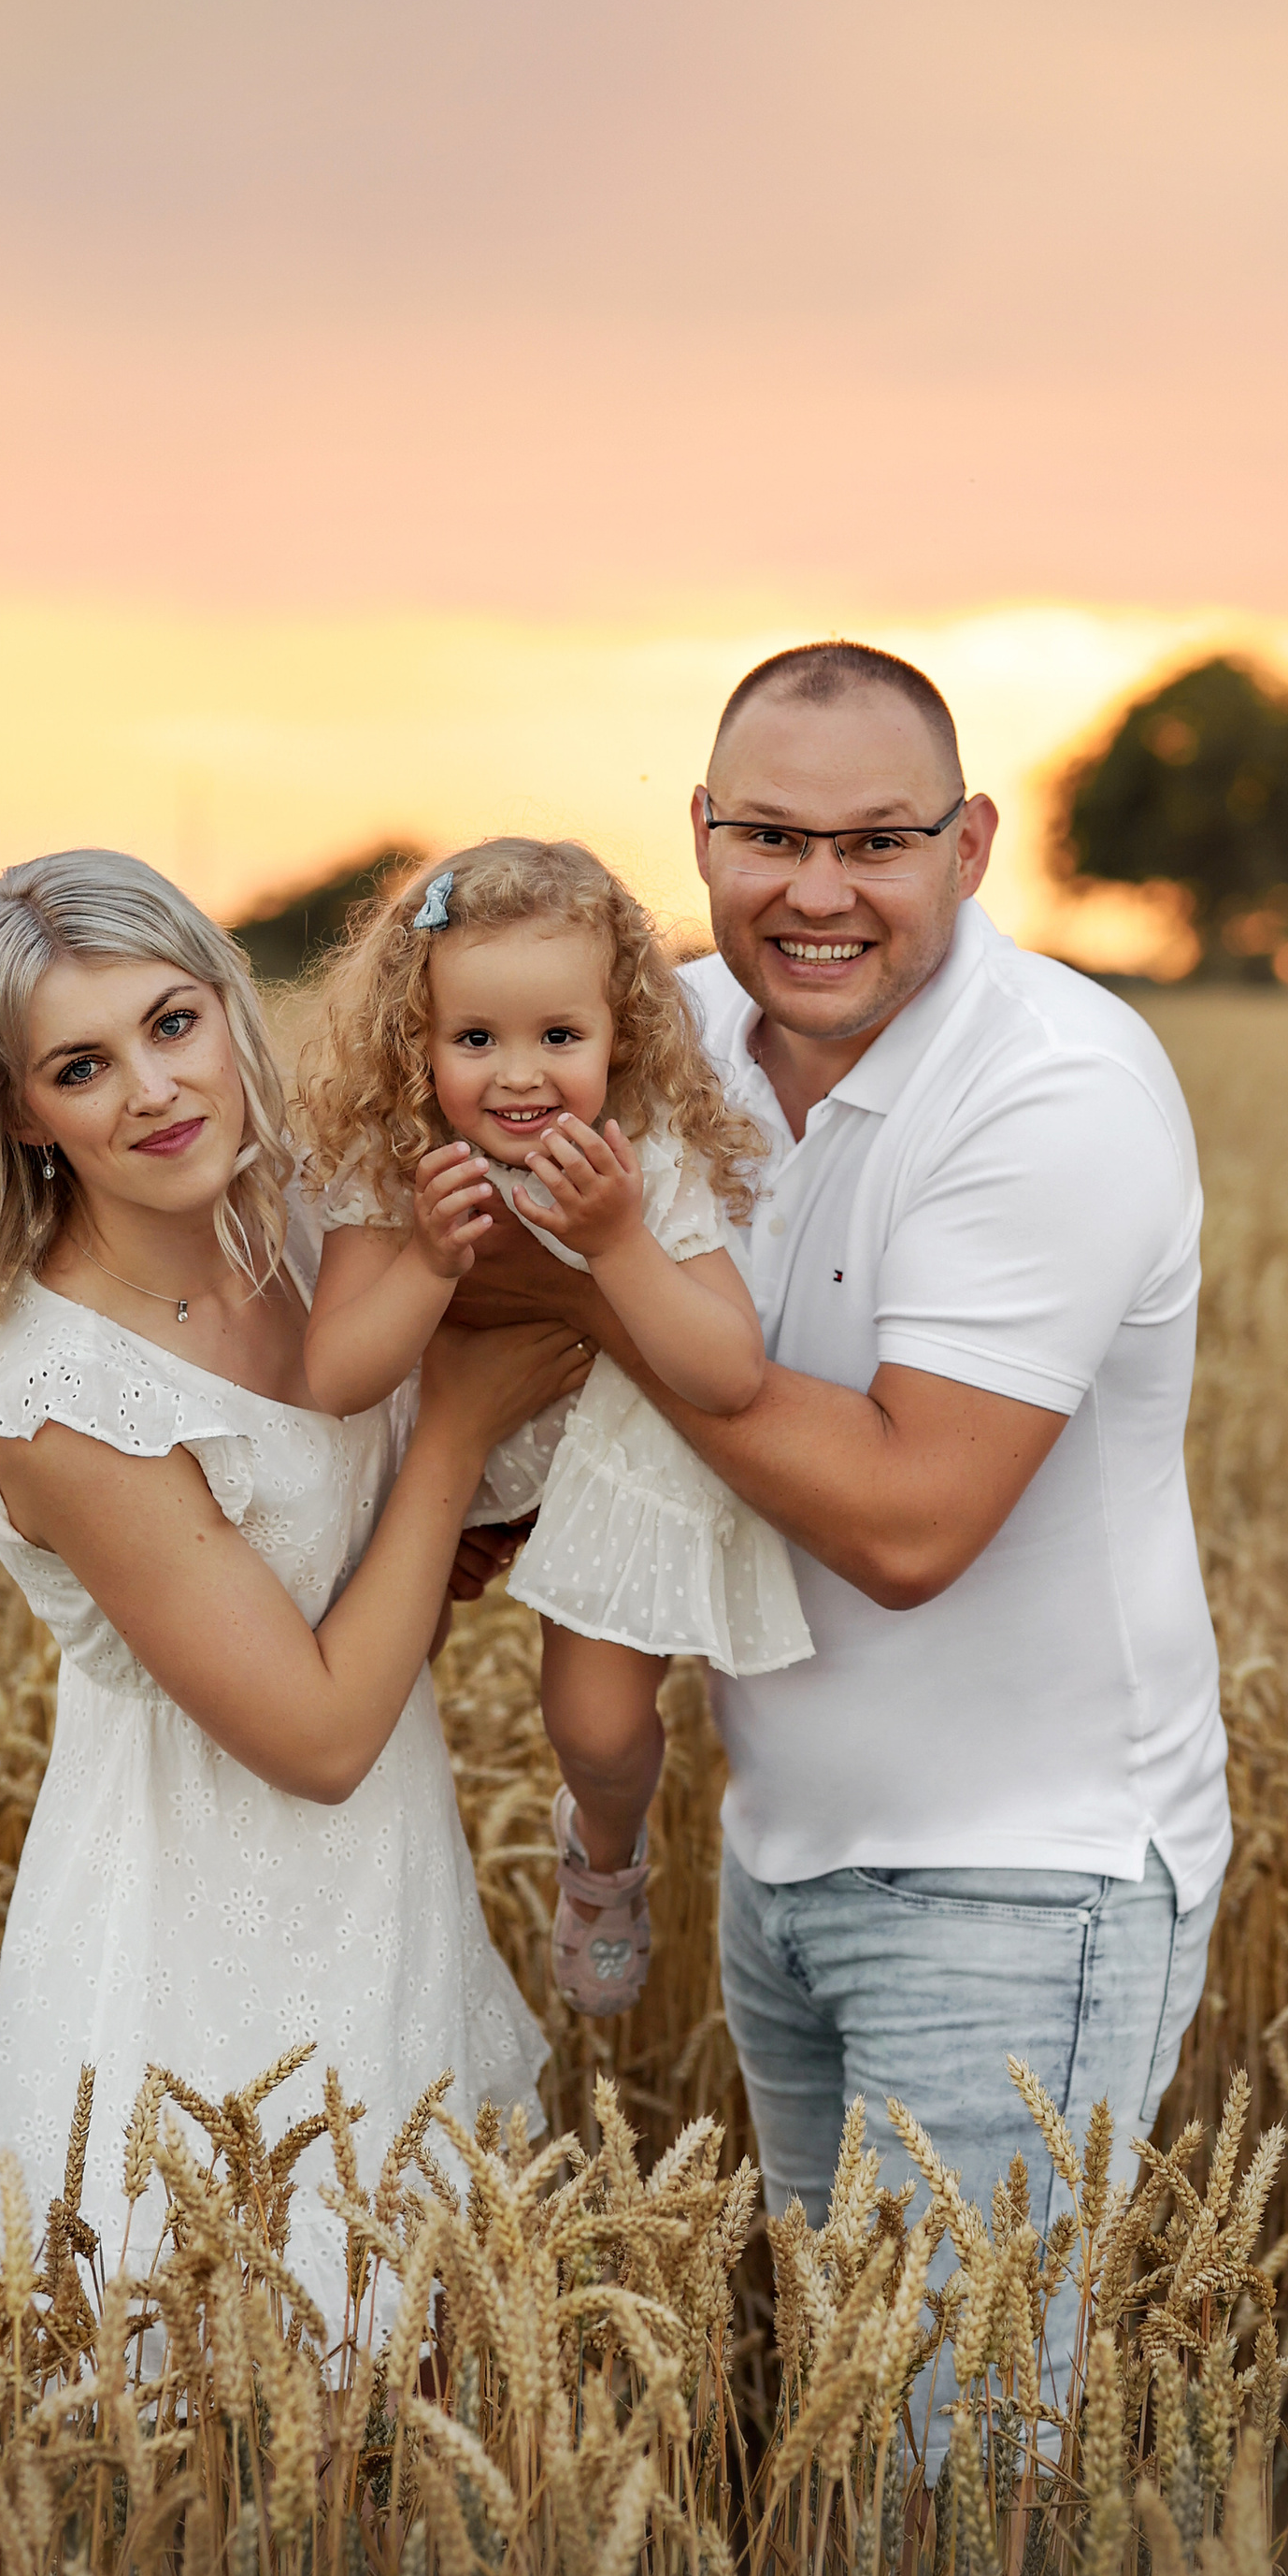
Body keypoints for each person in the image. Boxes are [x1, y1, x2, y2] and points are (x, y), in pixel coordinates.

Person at [454, 646, 1231, 2391]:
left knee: (960, 2475)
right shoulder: (668, 1032)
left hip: (1027, 1883)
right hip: (782, 1849)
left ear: (969, 846)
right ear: (703, 836)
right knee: (842, 2410)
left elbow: (906, 1519)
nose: (816, 892)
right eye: (769, 835)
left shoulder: (1056, 1090)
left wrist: (590, 1303)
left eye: (877, 841)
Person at [0, 847, 578, 2327]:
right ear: (23, 1111)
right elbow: (321, 1737)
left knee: (415, 2377)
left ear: (225, 1006)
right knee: (223, 2393)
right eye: (83, 1065)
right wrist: (454, 1435)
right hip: (194, 1941)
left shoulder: (312, 1229)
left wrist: (447, 1513)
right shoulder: (72, 1402)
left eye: (172, 1022)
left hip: (389, 1890)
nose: (152, 1087)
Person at [296, 837, 810, 2019]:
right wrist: (428, 1256)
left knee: (598, 1721)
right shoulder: (391, 1163)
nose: (518, 1075)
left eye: (558, 1038)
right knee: (366, 1672)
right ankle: (353, 1890)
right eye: (475, 1039)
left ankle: (604, 1859)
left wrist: (620, 1239)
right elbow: (335, 1371)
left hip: (606, 1462)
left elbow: (728, 1374)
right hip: (446, 1452)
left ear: (618, 1034)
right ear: (414, 1044)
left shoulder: (647, 1159)